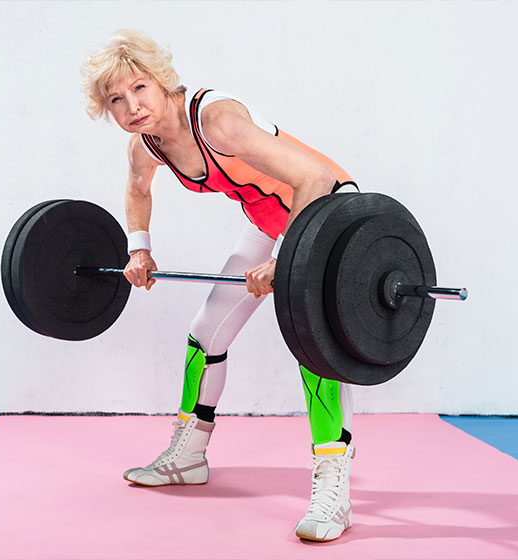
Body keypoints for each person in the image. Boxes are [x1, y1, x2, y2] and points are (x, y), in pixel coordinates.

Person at [81, 30, 359, 542]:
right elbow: (137, 189)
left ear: (161, 81)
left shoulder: (216, 121)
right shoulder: (146, 144)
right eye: (116, 99)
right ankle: (188, 454)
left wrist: (285, 259)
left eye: (139, 88)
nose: (132, 106)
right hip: (267, 219)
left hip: (328, 216)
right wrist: (138, 248)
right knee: (206, 331)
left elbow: (315, 177)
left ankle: (333, 474)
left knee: (309, 342)